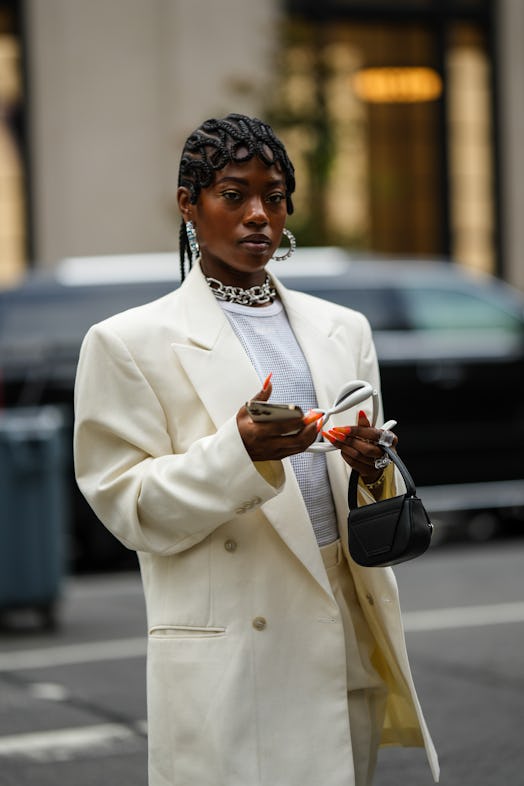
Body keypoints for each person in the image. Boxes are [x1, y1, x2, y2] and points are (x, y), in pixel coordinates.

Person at [74, 113, 439, 786]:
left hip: (337, 634)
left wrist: (368, 465)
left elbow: (366, 484)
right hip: (234, 654)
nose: (258, 216)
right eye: (233, 195)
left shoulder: (341, 328)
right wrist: (240, 452)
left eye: (273, 197)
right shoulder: (127, 341)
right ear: (189, 204)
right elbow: (127, 506)